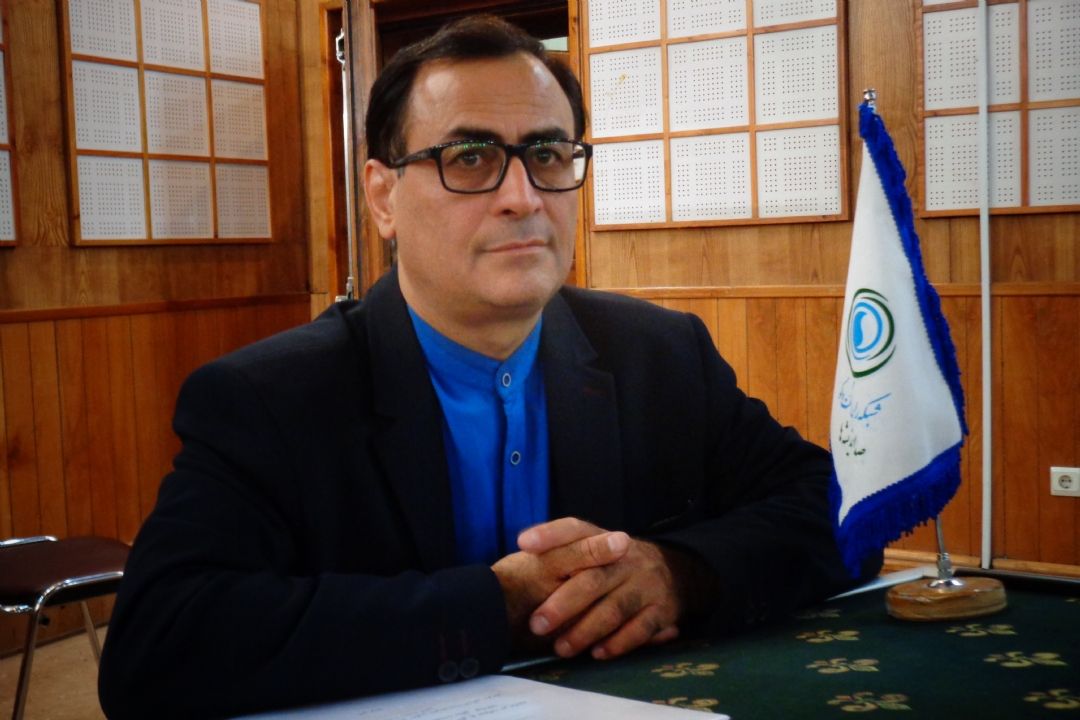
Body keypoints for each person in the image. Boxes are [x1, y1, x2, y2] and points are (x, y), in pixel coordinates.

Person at [97, 15, 878, 720]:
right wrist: (494, 606)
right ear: (382, 198)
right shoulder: (268, 397)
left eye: (547, 154)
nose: (521, 196)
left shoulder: (661, 354)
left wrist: (679, 574)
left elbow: (844, 511)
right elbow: (158, 646)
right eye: (469, 158)